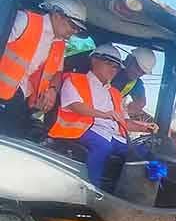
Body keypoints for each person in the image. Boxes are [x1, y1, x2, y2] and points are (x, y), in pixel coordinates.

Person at [0, 0, 86, 138]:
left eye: (78, 29)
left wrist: (52, 90)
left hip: (21, 96)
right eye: (72, 25)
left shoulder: (59, 44)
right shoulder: (25, 20)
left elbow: (57, 73)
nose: (74, 31)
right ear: (57, 15)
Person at [49, 45, 130, 189]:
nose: (113, 70)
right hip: (78, 129)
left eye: (116, 67)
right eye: (109, 64)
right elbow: (75, 105)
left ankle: (122, 192)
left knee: (136, 153)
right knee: (102, 146)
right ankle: (92, 189)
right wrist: (104, 115)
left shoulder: (115, 93)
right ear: (94, 60)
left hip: (108, 133)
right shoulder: (75, 80)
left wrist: (144, 127)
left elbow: (122, 121)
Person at [111, 47, 155, 118]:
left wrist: (126, 110)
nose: (138, 74)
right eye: (137, 68)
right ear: (129, 58)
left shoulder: (136, 83)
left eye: (143, 72)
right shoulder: (109, 66)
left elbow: (141, 102)